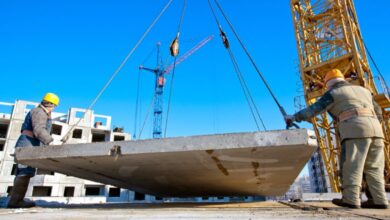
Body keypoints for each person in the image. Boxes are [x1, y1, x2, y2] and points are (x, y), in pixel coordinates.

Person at [285, 69, 388, 209]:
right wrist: (374, 124)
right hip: (377, 132)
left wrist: (294, 117)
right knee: (374, 167)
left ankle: (351, 199)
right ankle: (379, 200)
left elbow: (314, 109)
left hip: (355, 131)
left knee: (352, 166)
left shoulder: (333, 93)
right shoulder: (364, 91)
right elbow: (379, 111)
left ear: (329, 85)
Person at [7, 93, 59, 208]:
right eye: (54, 106)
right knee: (24, 172)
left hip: (31, 143)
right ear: (52, 105)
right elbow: (39, 129)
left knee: (27, 172)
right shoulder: (39, 112)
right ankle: (15, 202)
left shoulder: (41, 112)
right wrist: (50, 141)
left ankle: (17, 200)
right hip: (28, 144)